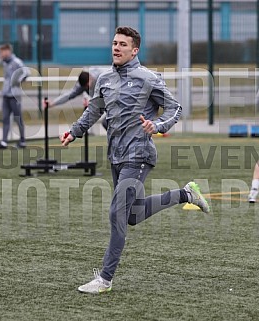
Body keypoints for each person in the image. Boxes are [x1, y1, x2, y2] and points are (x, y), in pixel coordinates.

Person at [60, 26, 210, 294]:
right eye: (114, 43)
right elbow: (93, 112)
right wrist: (74, 132)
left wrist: (158, 125)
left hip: (139, 155)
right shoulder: (104, 79)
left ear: (135, 50)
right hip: (116, 156)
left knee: (116, 212)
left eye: (122, 44)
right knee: (131, 215)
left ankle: (105, 279)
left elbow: (175, 108)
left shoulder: (148, 78)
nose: (116, 48)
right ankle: (185, 194)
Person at [0, 43, 30, 149]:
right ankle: (4, 141)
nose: (0, 54)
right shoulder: (5, 63)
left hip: (15, 95)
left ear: (7, 51)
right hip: (6, 95)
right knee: (5, 118)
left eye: (1, 52)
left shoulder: (17, 62)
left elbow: (26, 72)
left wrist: (17, 82)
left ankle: (22, 141)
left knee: (18, 118)